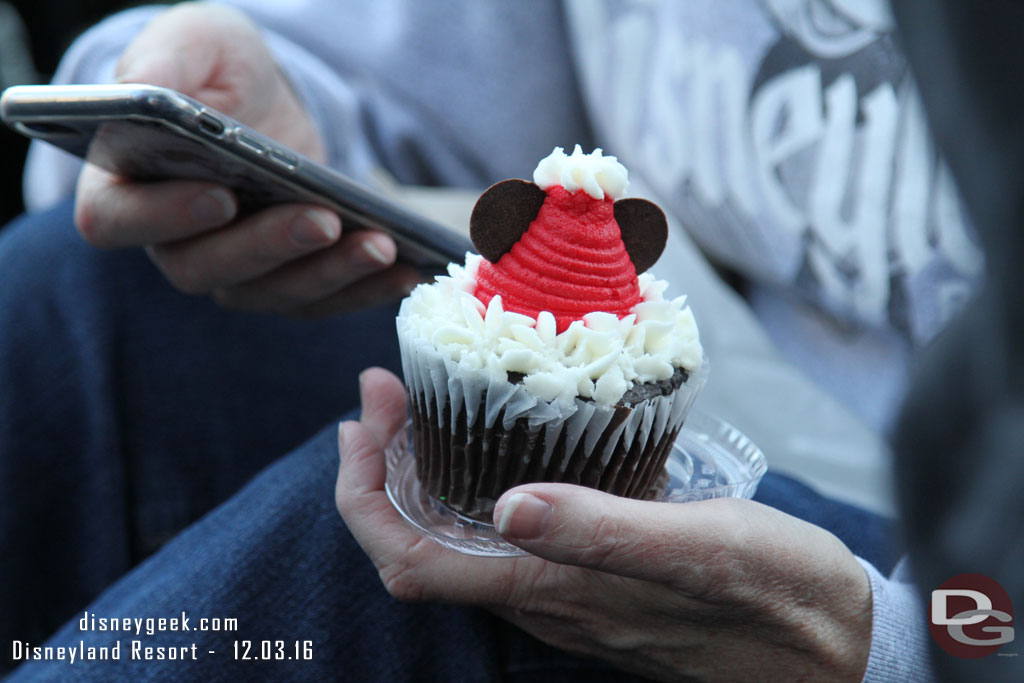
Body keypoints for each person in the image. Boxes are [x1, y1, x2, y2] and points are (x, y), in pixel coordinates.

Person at [3, 0, 1008, 680]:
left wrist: (889, 643)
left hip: (967, 564)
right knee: (83, 288)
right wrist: (274, 107)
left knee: (383, 528)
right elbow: (432, 62)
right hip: (733, 353)